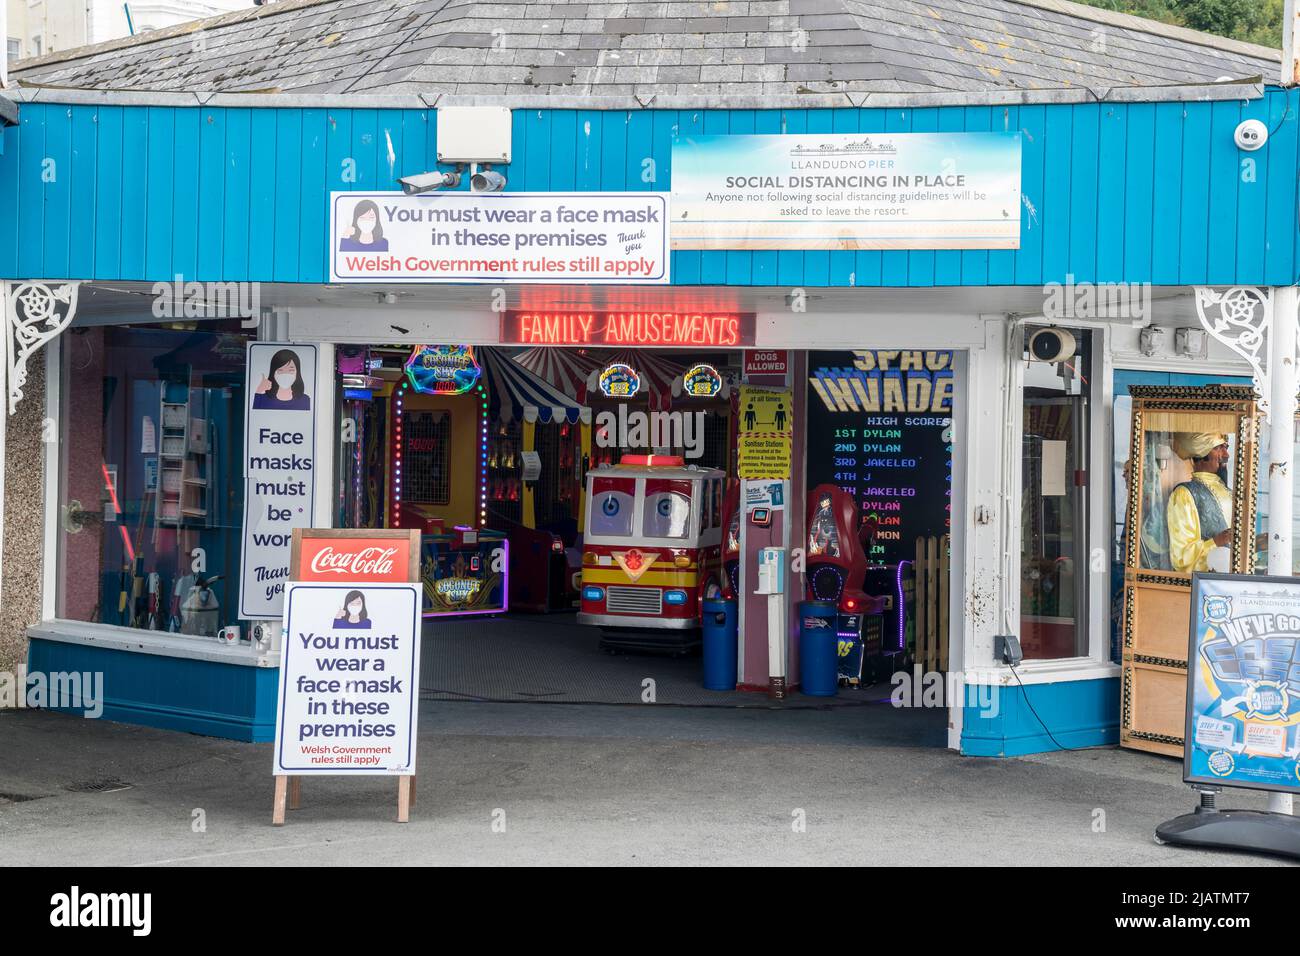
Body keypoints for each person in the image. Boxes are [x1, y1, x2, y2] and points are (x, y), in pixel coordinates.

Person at [1166, 432, 1233, 573]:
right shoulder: (1184, 494)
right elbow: (1181, 558)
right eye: (1218, 448)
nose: (1226, 455)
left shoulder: (1230, 493)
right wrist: (1216, 542)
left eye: (1226, 447)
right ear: (1201, 454)